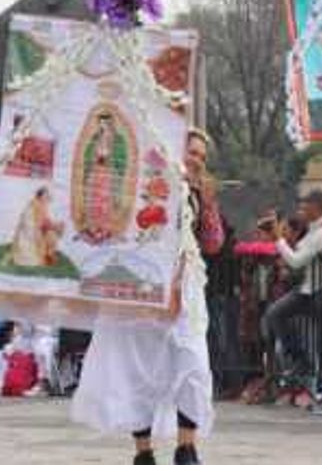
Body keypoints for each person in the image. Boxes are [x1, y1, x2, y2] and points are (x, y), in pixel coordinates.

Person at [70, 128, 225, 465]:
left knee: (193, 362)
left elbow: (214, 244)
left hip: (185, 287)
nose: (196, 159)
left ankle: (187, 448)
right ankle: (143, 452)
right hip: (139, 287)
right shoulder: (140, 180)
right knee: (138, 368)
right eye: (191, 151)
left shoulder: (199, 194)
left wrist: (207, 202)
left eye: (201, 155)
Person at [261, 189, 322, 374]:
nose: (300, 211)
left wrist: (278, 239)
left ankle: (311, 368)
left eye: (304, 207)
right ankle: (301, 360)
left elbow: (296, 261)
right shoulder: (317, 227)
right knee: (275, 314)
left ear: (316, 207)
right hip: (309, 289)